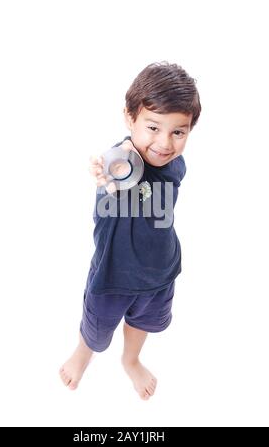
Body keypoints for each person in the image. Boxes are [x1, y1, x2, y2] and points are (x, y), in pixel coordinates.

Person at [59, 61, 201, 400]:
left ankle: (131, 359)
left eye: (178, 132)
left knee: (144, 324)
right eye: (152, 127)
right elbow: (118, 167)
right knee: (97, 328)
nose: (165, 143)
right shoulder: (123, 164)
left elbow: (164, 158)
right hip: (113, 277)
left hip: (160, 271)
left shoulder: (175, 164)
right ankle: (84, 353)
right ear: (130, 118)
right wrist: (109, 166)